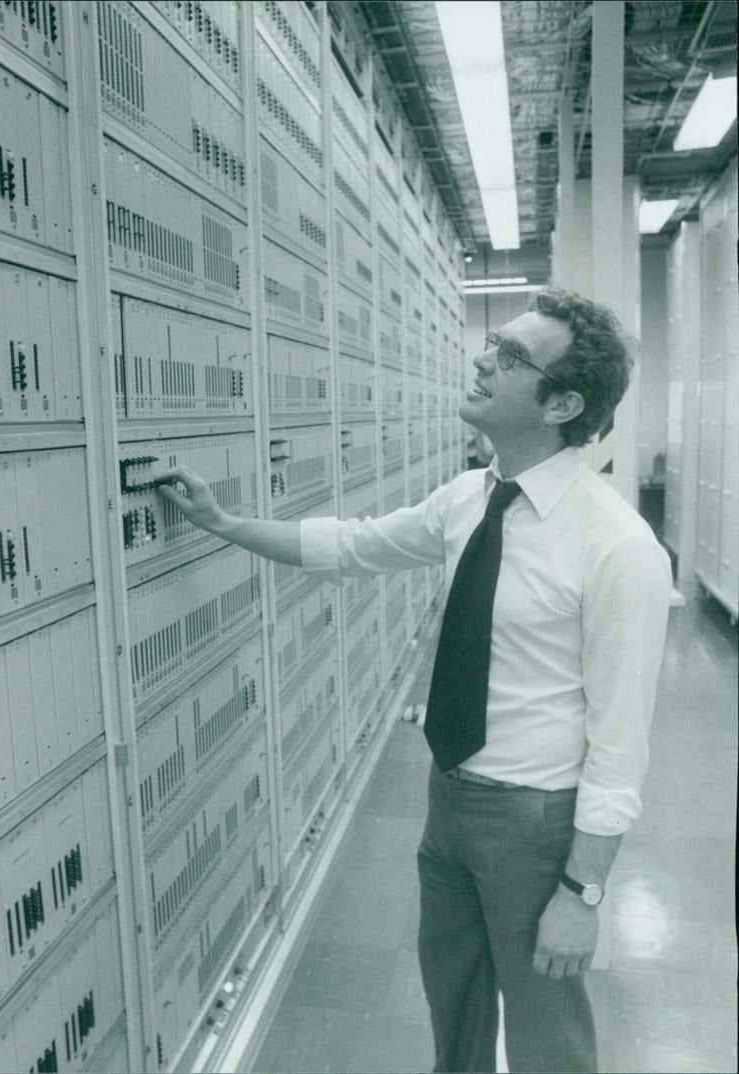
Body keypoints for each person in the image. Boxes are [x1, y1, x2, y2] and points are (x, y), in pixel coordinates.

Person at [156, 288, 672, 1073]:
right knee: (453, 1017)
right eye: (494, 342)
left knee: (546, 1042)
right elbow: (353, 545)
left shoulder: (618, 547)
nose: (482, 359)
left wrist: (582, 892)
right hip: (451, 802)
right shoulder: (469, 499)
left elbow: (621, 740)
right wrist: (224, 525)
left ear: (563, 402)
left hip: (534, 824)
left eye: (511, 357)